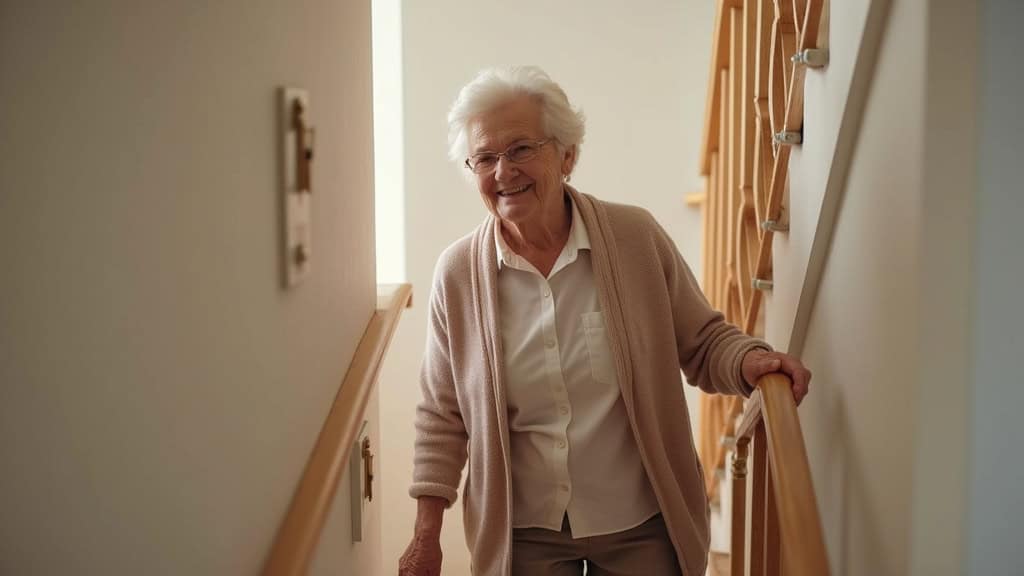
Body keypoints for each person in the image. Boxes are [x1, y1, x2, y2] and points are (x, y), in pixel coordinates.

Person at [398, 66, 811, 576]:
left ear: (567, 155)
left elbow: (702, 342)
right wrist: (426, 535)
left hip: (641, 519)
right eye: (484, 157)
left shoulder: (633, 238)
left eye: (522, 149)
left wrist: (752, 361)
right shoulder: (458, 273)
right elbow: (442, 413)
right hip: (524, 532)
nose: (503, 171)